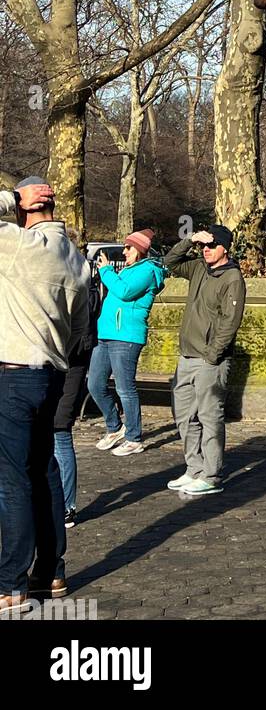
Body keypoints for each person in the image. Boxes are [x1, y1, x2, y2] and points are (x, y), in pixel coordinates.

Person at [0, 178, 89, 611]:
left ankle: (10, 583)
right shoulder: (77, 260)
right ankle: (52, 572)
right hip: (52, 372)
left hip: (13, 372)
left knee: (12, 479)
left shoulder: (17, 244)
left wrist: (11, 199)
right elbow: (76, 332)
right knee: (44, 471)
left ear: (24, 207)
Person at [163, 226, 245, 496]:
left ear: (225, 248)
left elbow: (229, 323)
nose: (206, 250)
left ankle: (211, 474)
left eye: (212, 245)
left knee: (210, 417)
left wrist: (212, 355)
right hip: (187, 355)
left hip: (210, 360)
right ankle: (194, 468)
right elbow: (170, 262)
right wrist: (190, 240)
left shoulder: (232, 279)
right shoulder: (198, 267)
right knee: (184, 416)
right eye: (204, 246)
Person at [87, 229, 165, 455]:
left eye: (129, 248)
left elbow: (125, 291)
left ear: (139, 250)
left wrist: (107, 271)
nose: (124, 252)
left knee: (125, 388)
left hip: (126, 336)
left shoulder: (148, 271)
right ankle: (115, 427)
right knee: (95, 384)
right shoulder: (130, 270)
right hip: (107, 334)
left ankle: (134, 437)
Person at [53, 241, 101, 526]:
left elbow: (80, 338)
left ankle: (67, 504)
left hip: (71, 365)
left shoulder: (85, 288)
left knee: (60, 430)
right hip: (53, 366)